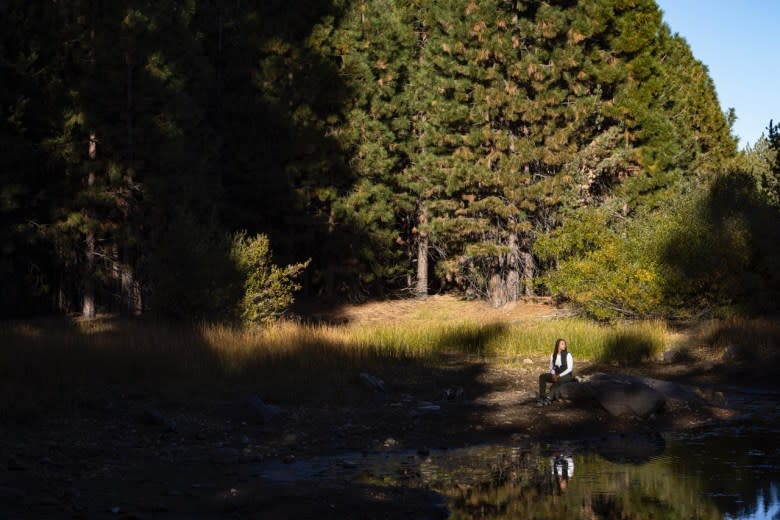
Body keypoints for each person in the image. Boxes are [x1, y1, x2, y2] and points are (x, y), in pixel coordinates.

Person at [537, 338, 573, 406]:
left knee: (559, 381)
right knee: (542, 377)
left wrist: (559, 376)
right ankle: (542, 396)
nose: (564, 345)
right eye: (562, 344)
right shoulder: (553, 355)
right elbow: (551, 367)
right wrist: (553, 374)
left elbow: (569, 369)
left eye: (564, 344)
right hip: (556, 375)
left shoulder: (568, 355)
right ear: (558, 345)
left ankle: (548, 398)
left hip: (566, 376)